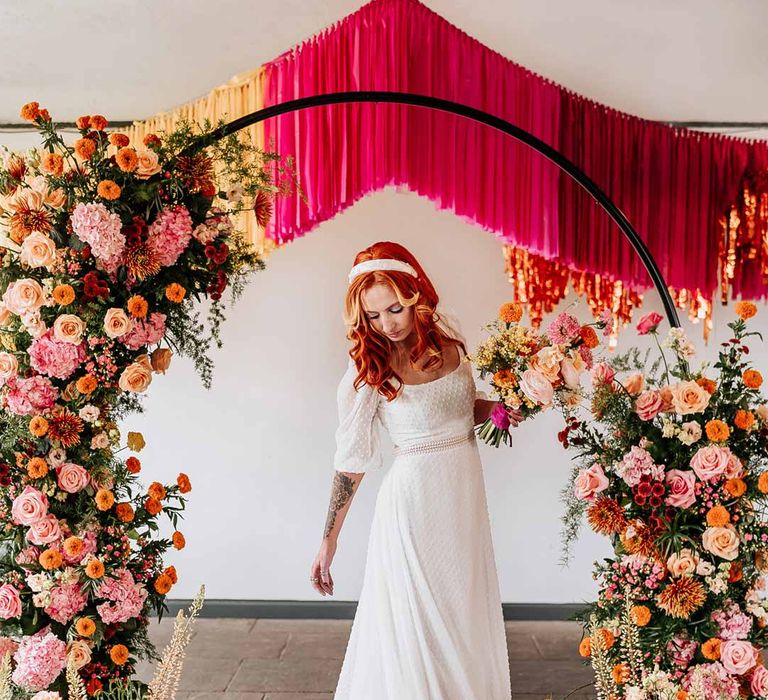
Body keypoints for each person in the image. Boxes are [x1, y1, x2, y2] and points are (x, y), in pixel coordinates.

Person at [311, 241, 521, 699]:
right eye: (373, 316)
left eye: (394, 309)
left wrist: (500, 408)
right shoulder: (370, 368)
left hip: (463, 495)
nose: (386, 324)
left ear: (415, 296)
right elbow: (351, 461)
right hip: (413, 505)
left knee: (461, 611)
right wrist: (329, 540)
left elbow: (460, 409)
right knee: (421, 622)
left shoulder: (448, 343)